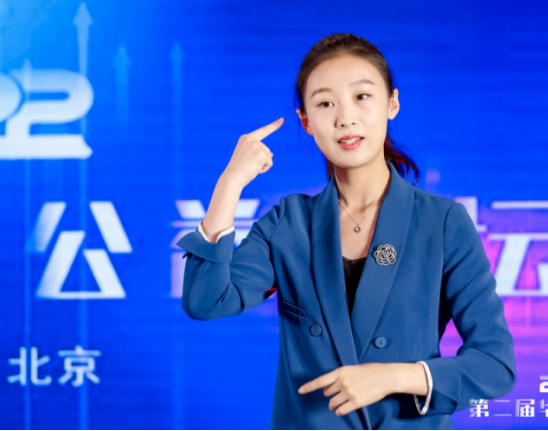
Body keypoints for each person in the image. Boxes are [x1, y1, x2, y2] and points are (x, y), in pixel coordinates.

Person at [177, 33, 516, 430]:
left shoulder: (442, 223)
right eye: (325, 103)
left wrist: (392, 377)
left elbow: (495, 365)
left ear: (392, 104)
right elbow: (206, 301)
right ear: (306, 121)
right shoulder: (289, 222)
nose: (345, 118)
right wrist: (230, 184)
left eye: (362, 96)